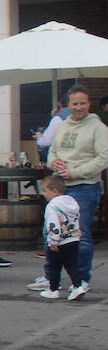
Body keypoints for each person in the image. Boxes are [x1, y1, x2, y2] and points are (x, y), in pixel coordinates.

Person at [43, 85, 108, 285]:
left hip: (85, 187)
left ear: (89, 104)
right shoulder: (62, 125)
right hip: (60, 187)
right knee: (50, 231)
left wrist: (75, 172)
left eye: (82, 103)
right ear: (68, 105)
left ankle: (79, 279)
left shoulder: (98, 128)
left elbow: (103, 158)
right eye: (75, 103)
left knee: (80, 236)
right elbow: (52, 150)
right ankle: (50, 277)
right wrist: (52, 162)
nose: (78, 107)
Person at [38, 174, 89, 301]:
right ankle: (78, 286)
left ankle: (53, 289)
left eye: (45, 191)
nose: (44, 194)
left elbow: (53, 224)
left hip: (58, 242)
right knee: (72, 265)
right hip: (73, 239)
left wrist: (53, 240)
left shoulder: (52, 206)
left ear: (54, 191)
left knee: (53, 266)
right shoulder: (72, 202)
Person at [34, 93, 71, 161]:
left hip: (62, 159)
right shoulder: (82, 117)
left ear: (59, 104)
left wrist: (39, 137)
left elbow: (46, 142)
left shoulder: (58, 118)